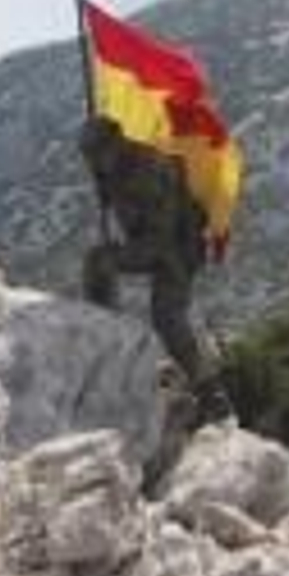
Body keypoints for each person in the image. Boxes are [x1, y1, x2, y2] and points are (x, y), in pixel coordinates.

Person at [79, 116, 233, 424]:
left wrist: (122, 253)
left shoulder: (149, 169)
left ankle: (211, 394)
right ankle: (105, 338)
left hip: (178, 249)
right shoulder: (110, 166)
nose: (93, 160)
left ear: (114, 144)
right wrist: (105, 190)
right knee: (97, 262)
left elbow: (160, 238)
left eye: (96, 153)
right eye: (89, 155)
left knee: (167, 316)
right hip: (152, 242)